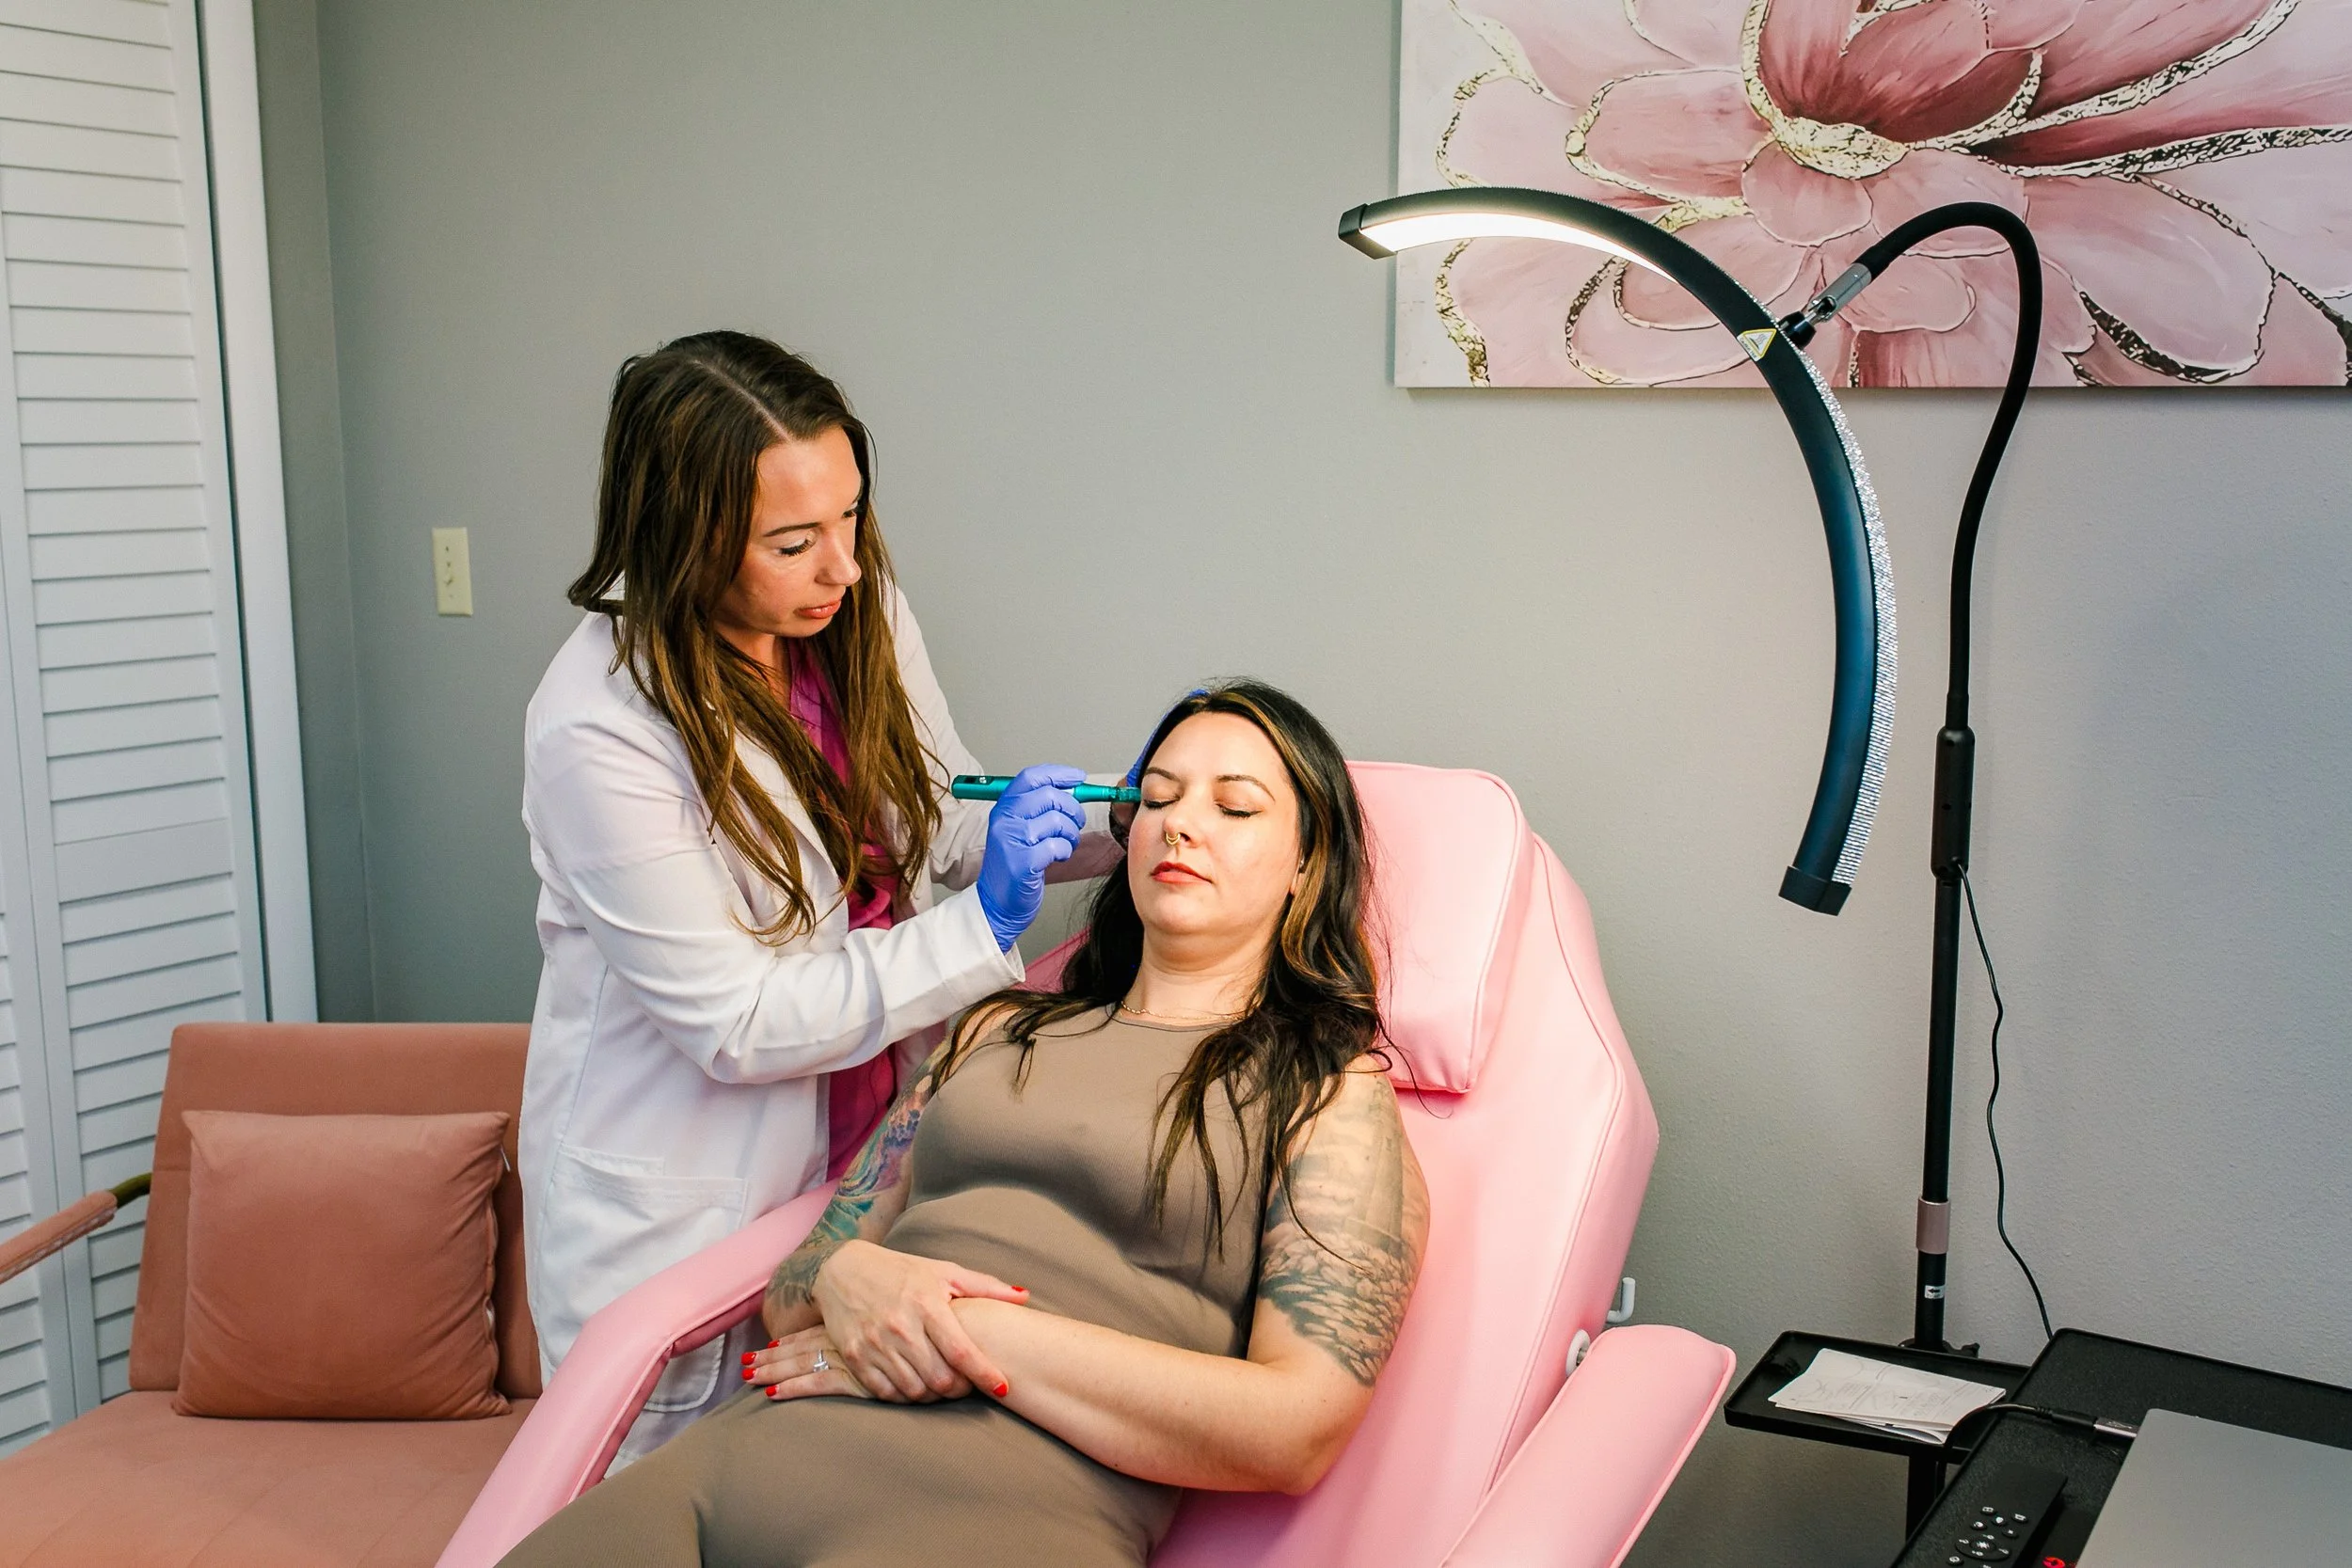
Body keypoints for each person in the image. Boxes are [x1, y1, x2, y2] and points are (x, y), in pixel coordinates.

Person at [499, 682, 1431, 1568]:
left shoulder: (1327, 1092)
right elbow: (798, 1288)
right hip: (732, 1469)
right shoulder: (993, 1026)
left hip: (997, 1515)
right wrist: (857, 1272)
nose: (1180, 821)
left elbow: (1294, 1427)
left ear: (1307, 861)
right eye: (1156, 795)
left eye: (1235, 806)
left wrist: (947, 1324)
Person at [521, 331, 1120, 1457]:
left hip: (868, 1158)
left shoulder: (856, 609)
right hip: (688, 1203)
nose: (841, 566)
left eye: (850, 516)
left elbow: (937, 817)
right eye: (793, 540)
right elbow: (735, 1019)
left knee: (819, 1492)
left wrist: (1116, 820)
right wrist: (983, 925)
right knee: (673, 1506)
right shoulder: (597, 729)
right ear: (682, 539)